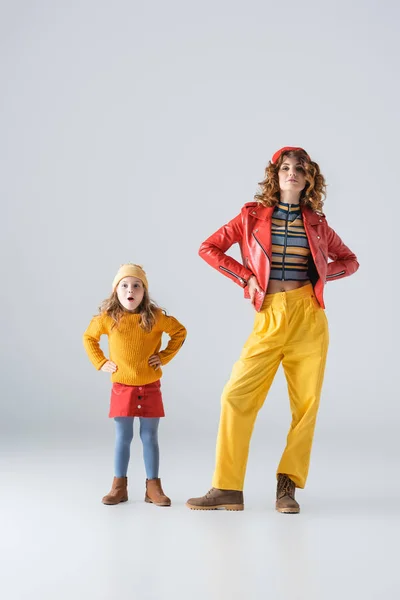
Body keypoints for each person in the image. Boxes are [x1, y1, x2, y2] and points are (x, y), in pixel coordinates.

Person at [186, 146, 359, 513]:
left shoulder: (317, 223)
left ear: (309, 177)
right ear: (275, 175)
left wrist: (322, 280)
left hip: (308, 318)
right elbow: (209, 247)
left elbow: (349, 261)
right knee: (236, 396)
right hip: (268, 316)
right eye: (285, 167)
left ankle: (287, 486)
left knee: (306, 406)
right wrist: (245, 277)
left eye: (299, 168)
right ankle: (227, 488)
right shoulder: (251, 216)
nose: (292, 172)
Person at [83, 263, 186, 506]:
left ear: (144, 291)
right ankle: (119, 487)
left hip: (150, 386)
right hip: (122, 387)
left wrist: (163, 356)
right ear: (116, 291)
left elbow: (180, 332)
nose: (131, 290)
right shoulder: (108, 318)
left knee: (150, 437)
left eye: (137, 285)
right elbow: (89, 337)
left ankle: (153, 487)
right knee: (123, 437)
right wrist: (100, 361)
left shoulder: (156, 317)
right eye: (125, 285)